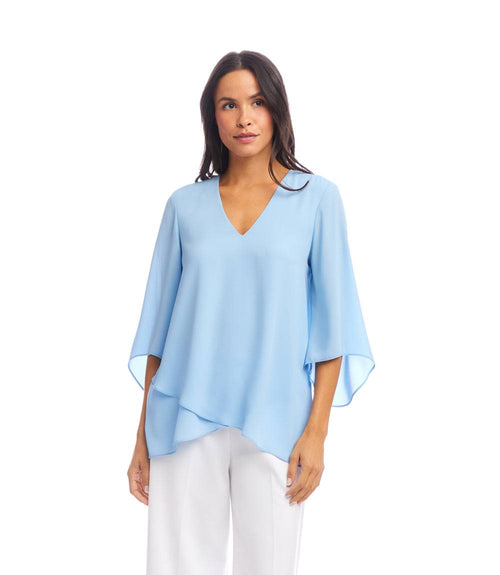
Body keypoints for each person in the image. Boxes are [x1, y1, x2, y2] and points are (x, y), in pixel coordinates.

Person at [126, 50, 375, 575]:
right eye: (229, 105)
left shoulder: (317, 200)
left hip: (276, 419)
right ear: (212, 117)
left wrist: (317, 433)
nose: (244, 118)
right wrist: (141, 437)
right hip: (182, 416)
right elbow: (158, 334)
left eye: (257, 103)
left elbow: (334, 328)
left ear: (276, 109)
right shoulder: (183, 207)